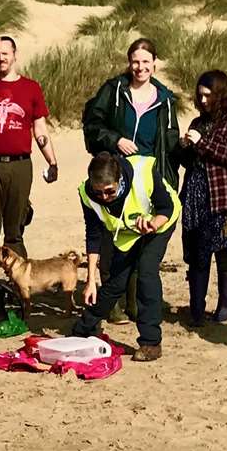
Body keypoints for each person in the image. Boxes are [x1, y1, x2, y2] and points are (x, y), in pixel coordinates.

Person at [81, 38, 183, 322]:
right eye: (136, 62)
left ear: (155, 64)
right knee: (111, 237)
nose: (140, 67)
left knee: (143, 234)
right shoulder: (113, 91)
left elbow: (169, 141)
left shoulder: (165, 99)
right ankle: (110, 304)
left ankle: (135, 303)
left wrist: (184, 157)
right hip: (114, 173)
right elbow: (92, 125)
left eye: (146, 62)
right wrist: (116, 140)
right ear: (129, 63)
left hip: (148, 176)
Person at [70, 152, 178, 362]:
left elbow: (167, 207)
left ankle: (150, 343)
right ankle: (82, 330)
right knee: (115, 281)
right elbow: (94, 236)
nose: (104, 197)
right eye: (98, 192)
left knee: (146, 271)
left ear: (119, 180)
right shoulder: (86, 194)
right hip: (127, 231)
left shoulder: (143, 173)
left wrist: (152, 225)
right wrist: (91, 280)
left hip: (159, 223)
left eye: (109, 192)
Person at [0, 36, 58, 285]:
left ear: (14, 54)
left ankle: (20, 287)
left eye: (5, 53)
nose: (0, 58)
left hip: (21, 165)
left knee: (15, 230)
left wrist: (52, 162)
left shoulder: (31, 88)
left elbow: (39, 129)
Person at [176, 69, 227, 326]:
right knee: (197, 254)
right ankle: (196, 310)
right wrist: (184, 148)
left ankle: (225, 306)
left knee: (224, 249)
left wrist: (202, 144)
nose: (204, 100)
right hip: (195, 196)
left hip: (225, 199)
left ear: (221, 95)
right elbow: (191, 163)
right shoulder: (198, 123)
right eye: (200, 95)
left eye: (209, 95)